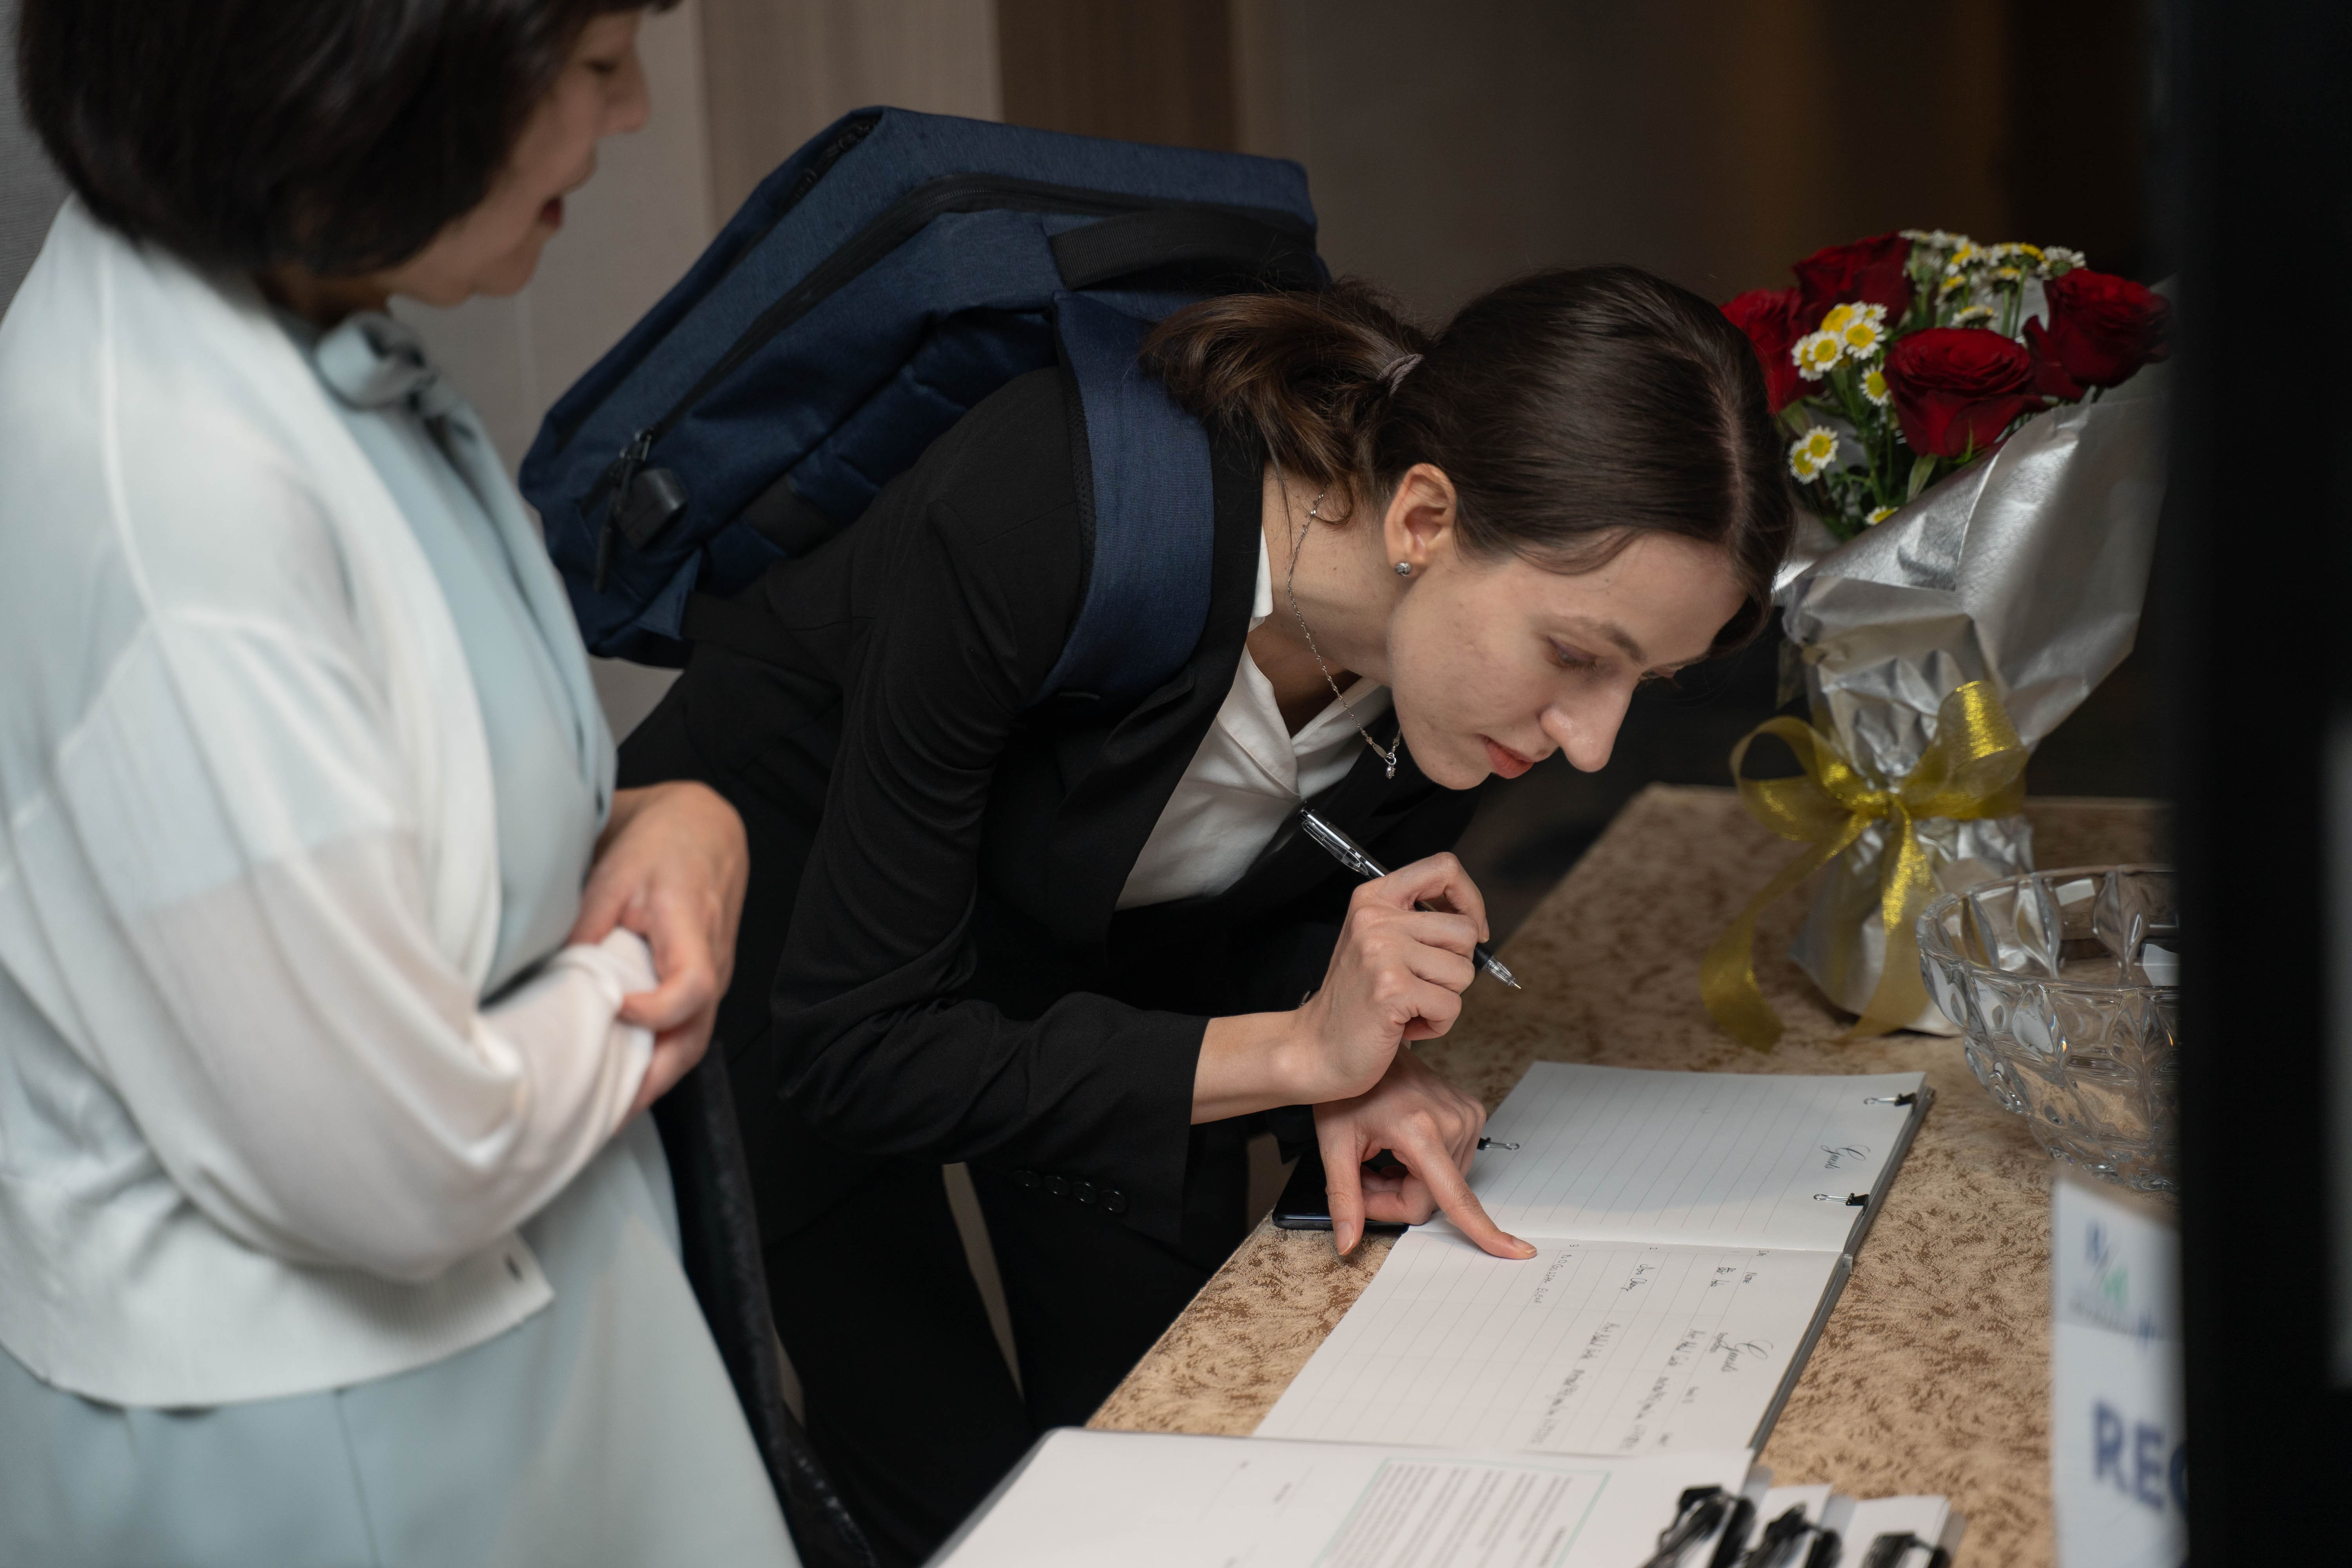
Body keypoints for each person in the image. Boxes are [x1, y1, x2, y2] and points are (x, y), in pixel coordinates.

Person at [621, 265, 1796, 1560]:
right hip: (785, 955)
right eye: (1576, 656)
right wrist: (1296, 1050)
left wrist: (1352, 1046)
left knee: (1174, 1456)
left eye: (1647, 681)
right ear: (1423, 516)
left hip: (1089, 970)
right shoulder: (1044, 509)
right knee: (952, 1504)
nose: (1592, 743)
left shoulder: (1457, 695)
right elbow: (858, 1052)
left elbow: (1268, 908)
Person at [0, 3, 796, 1563]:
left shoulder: (300, 337)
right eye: (595, 63)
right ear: (369, 67)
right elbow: (408, 1159)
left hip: (535, 1337)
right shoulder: (171, 492)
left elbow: (423, 826)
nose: (632, 111)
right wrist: (643, 957)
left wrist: (672, 821)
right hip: (345, 1449)